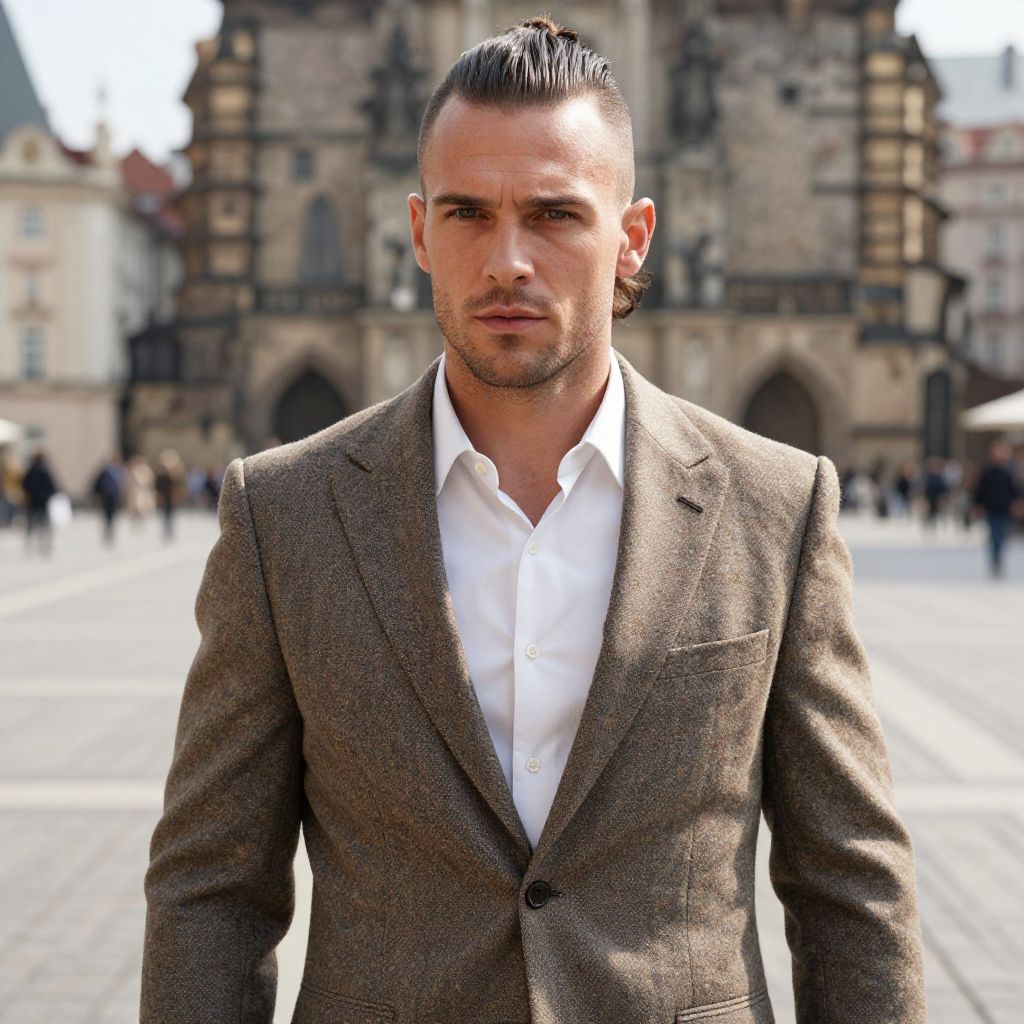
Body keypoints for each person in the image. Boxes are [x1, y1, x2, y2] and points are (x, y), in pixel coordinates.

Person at [142, 18, 925, 1023]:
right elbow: (212, 888)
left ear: (633, 234)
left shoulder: (775, 505)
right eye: (468, 213)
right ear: (418, 229)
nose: (507, 260)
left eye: (555, 214)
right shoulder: (281, 513)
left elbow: (850, 884)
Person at [971, 439, 1022, 578]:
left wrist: (1017, 503)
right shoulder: (987, 471)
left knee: (1003, 535)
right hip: (991, 507)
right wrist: (977, 505)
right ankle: (995, 559)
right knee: (995, 535)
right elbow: (980, 489)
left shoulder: (1009, 471)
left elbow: (1014, 490)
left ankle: (998, 557)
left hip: (1005, 508)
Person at [20, 447, 57, 556]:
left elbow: (24, 484)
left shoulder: (31, 470)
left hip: (33, 501)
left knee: (32, 524)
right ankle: (44, 545)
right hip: (42, 501)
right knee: (44, 525)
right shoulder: (45, 470)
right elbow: (52, 486)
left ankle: (30, 544)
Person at [154, 449, 186, 541]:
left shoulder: (173, 475)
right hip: (165, 497)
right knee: (166, 514)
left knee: (170, 514)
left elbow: (178, 484)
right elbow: (158, 486)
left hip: (171, 497)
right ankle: (166, 530)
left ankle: (169, 530)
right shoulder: (162, 475)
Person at [92, 454, 124, 547]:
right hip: (106, 496)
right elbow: (97, 483)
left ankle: (110, 531)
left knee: (113, 515)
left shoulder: (119, 471)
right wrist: (98, 493)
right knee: (106, 515)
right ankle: (107, 530)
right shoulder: (105, 471)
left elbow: (122, 484)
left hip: (114, 496)